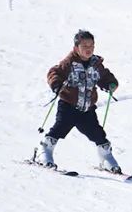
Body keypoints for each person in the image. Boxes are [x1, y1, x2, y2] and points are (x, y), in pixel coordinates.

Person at [33, 30, 123, 174]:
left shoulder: (96, 63)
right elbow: (54, 72)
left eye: (91, 46)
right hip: (68, 104)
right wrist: (56, 84)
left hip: (87, 108)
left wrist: (110, 84)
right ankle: (44, 151)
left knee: (98, 133)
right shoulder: (69, 63)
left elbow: (105, 76)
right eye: (85, 46)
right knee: (60, 128)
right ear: (76, 48)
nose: (89, 49)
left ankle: (105, 157)